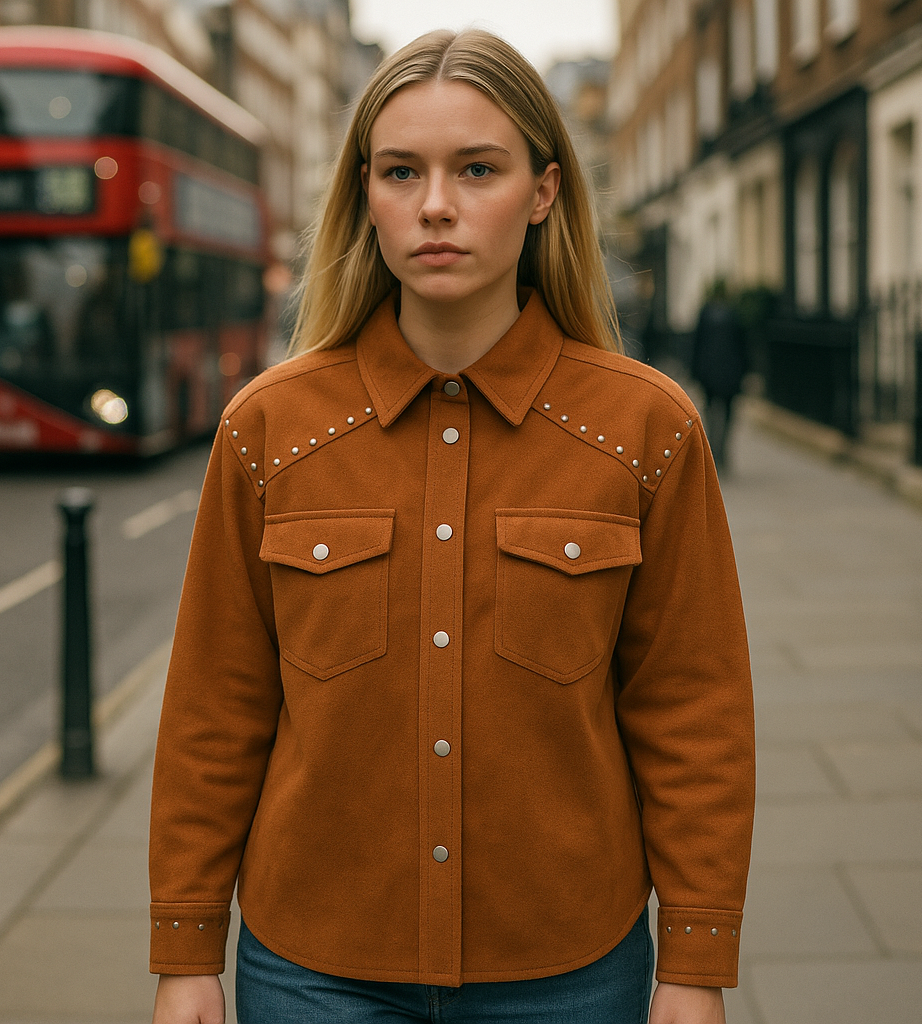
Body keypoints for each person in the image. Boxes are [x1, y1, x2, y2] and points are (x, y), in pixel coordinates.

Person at [149, 29, 754, 1024]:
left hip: (568, 969)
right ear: (365, 194)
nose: (436, 204)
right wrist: (185, 950)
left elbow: (694, 713)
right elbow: (215, 706)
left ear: (543, 191)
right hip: (313, 970)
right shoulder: (268, 429)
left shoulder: (647, 430)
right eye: (401, 171)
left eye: (477, 169)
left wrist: (695, 962)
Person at [690, 280, 748, 474]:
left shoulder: (705, 314)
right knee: (729, 413)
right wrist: (745, 372)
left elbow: (697, 345)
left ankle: (713, 449)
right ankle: (722, 450)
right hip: (731, 372)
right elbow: (743, 347)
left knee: (709, 410)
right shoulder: (735, 314)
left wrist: (695, 371)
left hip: (708, 371)